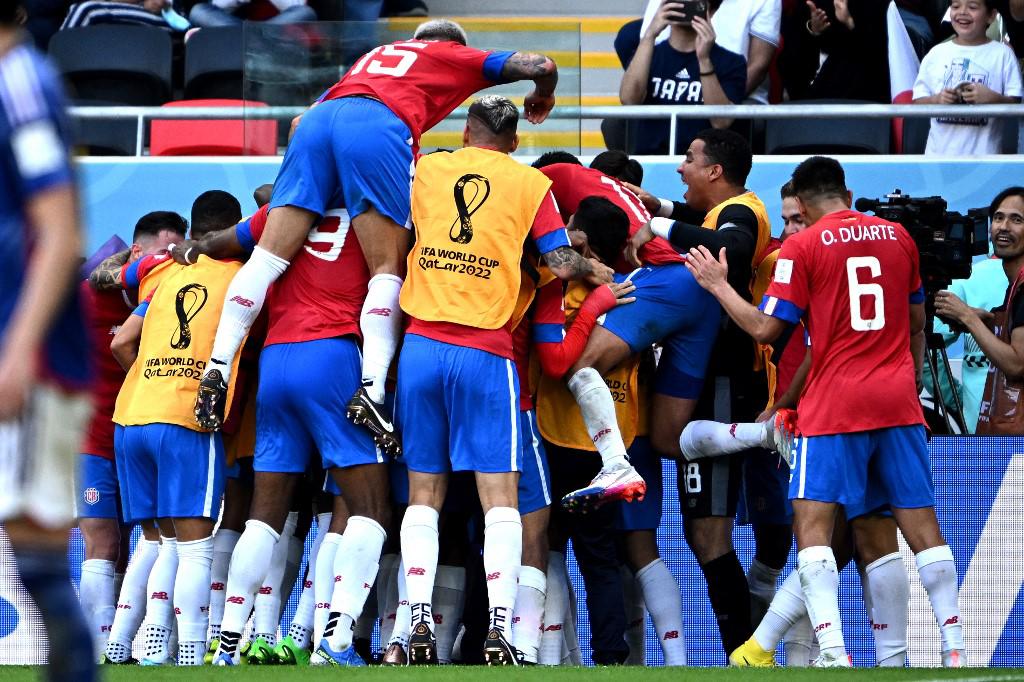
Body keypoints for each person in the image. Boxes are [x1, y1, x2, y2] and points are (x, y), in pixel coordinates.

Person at [195, 19, 561, 460]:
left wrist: (329, 179)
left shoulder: (373, 58)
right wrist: (544, 94)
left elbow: (297, 124)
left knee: (269, 259)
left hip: (320, 123)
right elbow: (541, 63)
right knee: (385, 268)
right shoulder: (446, 54)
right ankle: (372, 391)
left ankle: (217, 366)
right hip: (379, 125)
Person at [685, 155, 966, 667]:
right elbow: (917, 321)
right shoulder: (899, 238)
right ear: (846, 192)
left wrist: (718, 285)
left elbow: (768, 331)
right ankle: (955, 649)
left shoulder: (803, 246)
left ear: (807, 205)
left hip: (835, 406)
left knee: (812, 529)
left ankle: (833, 653)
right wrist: (905, 378)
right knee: (919, 527)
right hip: (898, 402)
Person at [396, 95, 605, 666]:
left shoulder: (432, 167)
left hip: (418, 344)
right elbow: (560, 265)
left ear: (467, 132)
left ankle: (414, 623)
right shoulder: (528, 184)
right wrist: (593, 269)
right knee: (500, 500)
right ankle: (500, 631)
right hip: (485, 352)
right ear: (515, 142)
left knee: (424, 492)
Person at [627, 128, 773, 659]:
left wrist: (659, 223)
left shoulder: (743, 213)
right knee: (705, 533)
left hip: (724, 381)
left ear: (715, 171)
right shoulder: (723, 210)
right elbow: (712, 226)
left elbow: (730, 245)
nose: (680, 168)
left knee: (709, 533)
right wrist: (661, 206)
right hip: (712, 379)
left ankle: (745, 652)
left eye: (688, 160)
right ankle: (748, 649)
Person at [0, 5, 95, 680]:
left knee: (37, 557)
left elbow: (61, 232)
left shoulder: (21, 83)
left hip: (32, 357)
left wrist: (17, 351)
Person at [109, 235, 247, 666]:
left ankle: (129, 645)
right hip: (188, 416)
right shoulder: (241, 276)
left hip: (132, 416)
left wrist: (152, 381)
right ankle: (189, 653)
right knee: (194, 548)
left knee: (157, 541)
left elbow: (119, 343)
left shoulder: (164, 273)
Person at [77, 212, 185, 657]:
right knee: (103, 545)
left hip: (139, 441)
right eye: (166, 250)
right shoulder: (89, 297)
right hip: (93, 444)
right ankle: (96, 648)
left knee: (142, 547)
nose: (172, 260)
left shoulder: (162, 302)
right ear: (137, 253)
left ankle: (118, 644)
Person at [935, 186, 1024, 432]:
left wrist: (966, 316)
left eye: (1016, 219)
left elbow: (1017, 365)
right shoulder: (1014, 287)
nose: (1004, 226)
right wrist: (992, 323)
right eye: (998, 217)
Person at [615, 0, 747, 154]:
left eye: (694, 3)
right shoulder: (647, 54)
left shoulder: (732, 62)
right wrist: (649, 35)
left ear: (710, 11)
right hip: (651, 160)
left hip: (704, 165)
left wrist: (704, 60)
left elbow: (721, 121)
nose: (686, 4)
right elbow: (629, 100)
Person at [913, 0, 1023, 155]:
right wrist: (937, 100)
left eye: (972, 7)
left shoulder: (1003, 55)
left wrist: (991, 98)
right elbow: (917, 102)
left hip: (985, 162)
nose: (962, 12)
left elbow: (1016, 103)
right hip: (937, 160)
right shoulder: (936, 54)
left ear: (991, 16)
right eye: (956, 6)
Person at [640, 0, 782, 103]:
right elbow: (630, 96)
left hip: (737, 95)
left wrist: (723, 100)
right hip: (665, 92)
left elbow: (758, 66)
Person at [188, 0, 316, 27]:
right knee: (199, 12)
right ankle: (253, 40)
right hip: (230, 24)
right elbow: (217, 7)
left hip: (275, 26)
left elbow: (298, 8)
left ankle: (252, 39)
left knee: (306, 13)